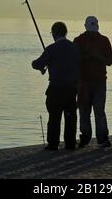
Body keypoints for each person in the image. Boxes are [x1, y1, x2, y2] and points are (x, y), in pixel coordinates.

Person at [32, 22, 80, 151]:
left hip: (56, 88)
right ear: (66, 32)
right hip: (71, 88)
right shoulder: (75, 48)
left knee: (54, 117)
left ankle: (53, 144)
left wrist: (41, 66)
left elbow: (36, 64)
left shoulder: (52, 48)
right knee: (70, 116)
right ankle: (70, 143)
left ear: (54, 33)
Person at [74, 16, 112, 148]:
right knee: (86, 111)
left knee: (97, 111)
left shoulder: (102, 40)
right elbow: (75, 60)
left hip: (97, 81)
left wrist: (98, 57)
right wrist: (87, 56)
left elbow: (109, 61)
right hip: (85, 82)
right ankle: (87, 137)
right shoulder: (79, 41)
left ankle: (100, 138)